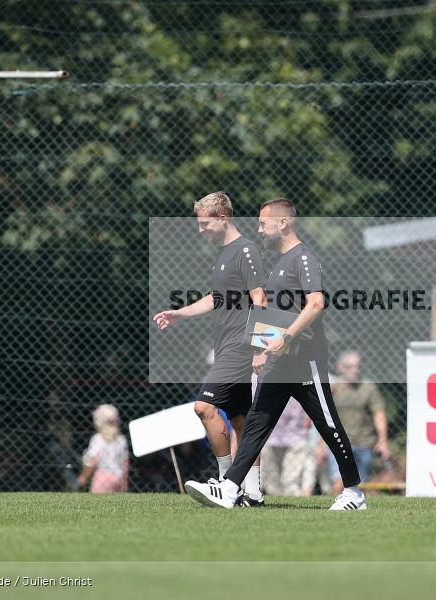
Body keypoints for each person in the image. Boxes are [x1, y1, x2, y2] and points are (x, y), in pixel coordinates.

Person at [184, 197, 367, 510]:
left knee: (328, 424)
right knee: (256, 423)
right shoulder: (280, 262)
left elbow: (317, 303)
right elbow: (274, 311)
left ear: (283, 223)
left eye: (263, 224)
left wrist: (287, 336)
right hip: (280, 363)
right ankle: (229, 489)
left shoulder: (304, 257)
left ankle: (353, 493)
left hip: (305, 361)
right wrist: (261, 348)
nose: (259, 230)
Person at [152, 191, 267, 506]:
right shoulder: (224, 254)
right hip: (226, 345)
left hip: (240, 346)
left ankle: (226, 482)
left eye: (205, 224)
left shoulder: (246, 250)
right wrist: (180, 313)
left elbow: (261, 299)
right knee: (240, 418)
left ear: (223, 218)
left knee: (203, 407)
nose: (200, 230)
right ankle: (253, 491)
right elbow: (216, 299)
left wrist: (260, 347)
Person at [322, 350, 390, 495]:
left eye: (358, 366)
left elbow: (379, 413)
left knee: (359, 485)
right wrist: (320, 445)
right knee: (339, 483)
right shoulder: (333, 388)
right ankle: (334, 507)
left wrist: (383, 440)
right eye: (350, 366)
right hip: (339, 442)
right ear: (340, 367)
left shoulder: (368, 387)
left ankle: (355, 506)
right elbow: (324, 418)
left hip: (364, 443)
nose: (355, 370)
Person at [261, 398, 316, 496]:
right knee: (272, 483)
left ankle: (295, 497)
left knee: (290, 483)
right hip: (271, 435)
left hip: (296, 434)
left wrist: (310, 414)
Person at [77, 404, 129, 493]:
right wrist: (124, 480)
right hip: (118, 476)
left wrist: (84, 476)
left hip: (102, 477)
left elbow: (94, 460)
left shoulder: (98, 439)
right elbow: (125, 462)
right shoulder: (121, 440)